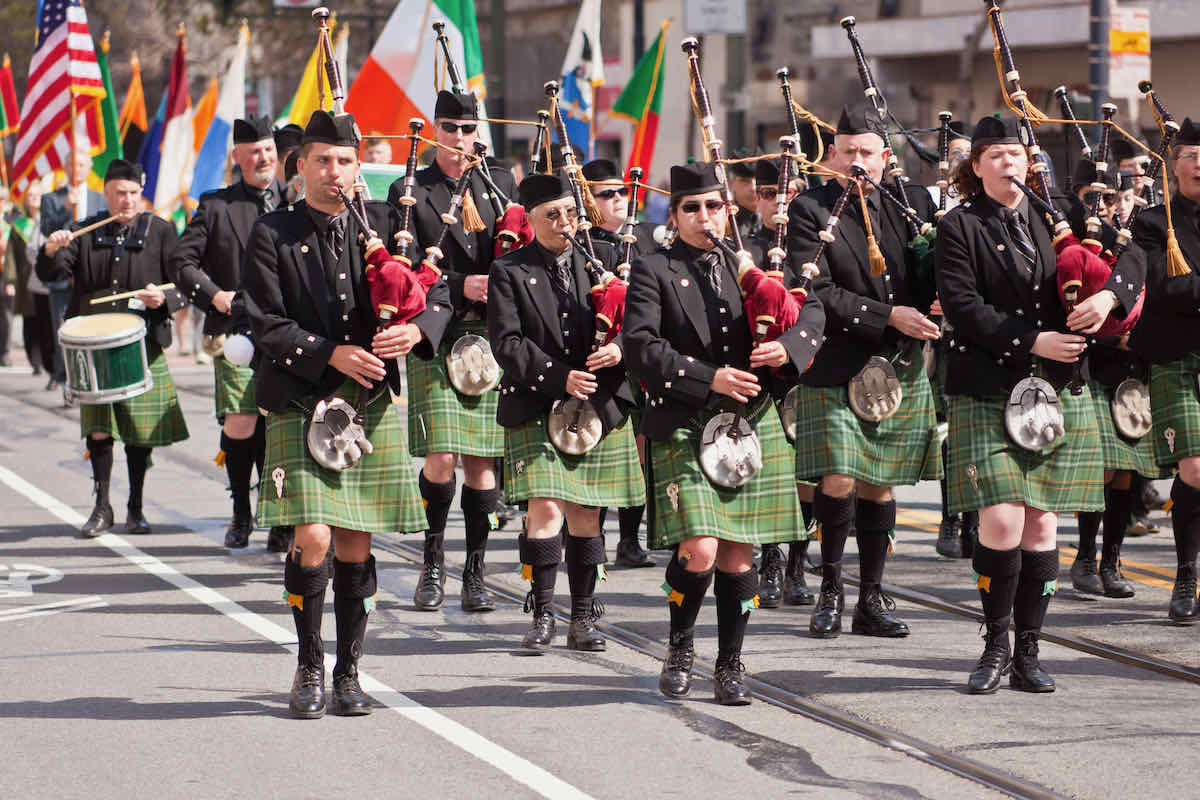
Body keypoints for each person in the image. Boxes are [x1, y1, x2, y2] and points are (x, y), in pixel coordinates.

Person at [241, 110, 452, 718]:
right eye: (322, 161)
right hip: (300, 395)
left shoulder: (390, 225)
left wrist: (417, 333)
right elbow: (266, 322)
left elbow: (433, 292)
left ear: (359, 168)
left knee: (357, 542)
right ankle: (308, 665)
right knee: (313, 537)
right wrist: (332, 352)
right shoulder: (273, 233)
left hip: (368, 404)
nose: (334, 172)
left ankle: (349, 670)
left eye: (345, 162)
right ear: (300, 165)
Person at [624, 161, 825, 705]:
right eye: (692, 207)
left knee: (739, 556)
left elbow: (813, 312)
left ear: (728, 209)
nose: (704, 216)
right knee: (700, 550)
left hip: (750, 423)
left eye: (713, 205)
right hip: (687, 418)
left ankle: (731, 664)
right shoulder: (653, 269)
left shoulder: (760, 262)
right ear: (675, 214)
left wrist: (790, 347)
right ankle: (681, 644)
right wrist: (705, 374)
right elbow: (640, 346)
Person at [935, 116, 1121, 693]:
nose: (1007, 163)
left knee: (1041, 524)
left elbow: (1128, 264)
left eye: (1015, 153)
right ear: (977, 167)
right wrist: (1030, 339)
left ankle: (1030, 652)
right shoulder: (959, 227)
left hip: (1056, 387)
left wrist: (1110, 295)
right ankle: (995, 643)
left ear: (1029, 161)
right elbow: (961, 306)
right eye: (993, 156)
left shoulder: (1059, 219)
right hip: (990, 384)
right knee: (1000, 518)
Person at [787, 106, 942, 641]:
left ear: (884, 158)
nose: (857, 162)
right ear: (832, 156)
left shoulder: (913, 203)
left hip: (898, 363)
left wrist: (939, 296)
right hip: (836, 361)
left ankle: (871, 596)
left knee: (879, 486)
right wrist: (885, 315)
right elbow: (817, 289)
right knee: (838, 478)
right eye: (847, 152)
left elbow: (929, 275)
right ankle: (830, 586)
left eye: (866, 153)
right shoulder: (809, 209)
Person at [488, 172, 645, 652]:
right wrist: (560, 378)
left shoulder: (607, 262)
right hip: (538, 401)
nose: (564, 223)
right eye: (551, 215)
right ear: (531, 221)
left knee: (586, 514)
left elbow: (641, 324)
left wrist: (619, 349)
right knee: (546, 507)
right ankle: (542, 614)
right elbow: (507, 344)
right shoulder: (509, 271)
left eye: (570, 213)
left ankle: (583, 617)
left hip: (599, 405)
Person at [386, 89, 518, 614]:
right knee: (442, 459)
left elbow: (521, 252)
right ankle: (433, 561)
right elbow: (408, 266)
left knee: (483, 466)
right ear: (435, 129)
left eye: (467, 130)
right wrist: (463, 284)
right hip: (438, 332)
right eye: (449, 128)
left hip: (490, 336)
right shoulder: (410, 187)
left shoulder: (500, 183)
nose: (458, 139)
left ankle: (476, 572)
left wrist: (501, 285)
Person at [36, 159, 189, 536]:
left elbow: (186, 285)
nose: (127, 201)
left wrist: (164, 297)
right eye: (120, 193)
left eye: (134, 193)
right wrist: (53, 250)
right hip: (93, 346)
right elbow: (53, 274)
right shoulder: (83, 230)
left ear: (142, 193)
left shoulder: (161, 231)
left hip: (143, 343)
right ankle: (102, 506)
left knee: (140, 432)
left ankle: (136, 506)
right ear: (105, 193)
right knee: (100, 431)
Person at [170, 115, 289, 551]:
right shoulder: (216, 206)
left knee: (281, 426)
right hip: (238, 333)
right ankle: (242, 509)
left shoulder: (296, 200)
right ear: (238, 157)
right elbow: (182, 263)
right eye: (254, 152)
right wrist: (215, 295)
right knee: (242, 423)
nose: (263, 159)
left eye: (269, 152)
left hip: (288, 332)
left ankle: (282, 517)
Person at [1056, 159, 1154, 598]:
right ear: (1075, 195)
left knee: (1123, 471)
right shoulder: (1064, 239)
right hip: (1082, 366)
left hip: (1125, 370)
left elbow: (1139, 283)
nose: (1101, 205)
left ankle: (1111, 561)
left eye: (1110, 197)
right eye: (1091, 196)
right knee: (1097, 467)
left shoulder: (1128, 241)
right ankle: (1083, 557)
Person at [1130, 117, 1200, 623]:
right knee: (1195, 469)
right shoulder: (1155, 222)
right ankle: (1186, 572)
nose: (1199, 163)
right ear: (1173, 166)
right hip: (1176, 356)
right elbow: (1161, 287)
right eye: (1190, 155)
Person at [746, 155, 815, 607]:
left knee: (807, 475)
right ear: (756, 198)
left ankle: (796, 565)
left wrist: (792, 346)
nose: (779, 201)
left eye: (788, 193)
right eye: (770, 194)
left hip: (803, 372)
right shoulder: (743, 249)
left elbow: (820, 307)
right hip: (755, 375)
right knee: (769, 475)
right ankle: (769, 560)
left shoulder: (812, 247)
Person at [582, 157, 656, 567]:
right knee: (599, 448)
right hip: (595, 362)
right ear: (587, 200)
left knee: (639, 450)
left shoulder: (644, 240)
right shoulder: (580, 241)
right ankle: (588, 534)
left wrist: (627, 346)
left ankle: (629, 539)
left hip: (638, 357)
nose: (617, 200)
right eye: (605, 194)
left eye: (621, 192)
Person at [40, 150, 106, 402]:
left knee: (92, 330)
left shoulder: (100, 199)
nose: (76, 168)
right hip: (62, 278)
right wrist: (66, 209)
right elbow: (47, 231)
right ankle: (68, 380)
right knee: (64, 330)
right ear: (64, 167)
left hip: (91, 279)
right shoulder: (52, 199)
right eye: (71, 163)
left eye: (80, 164)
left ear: (89, 167)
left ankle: (93, 379)